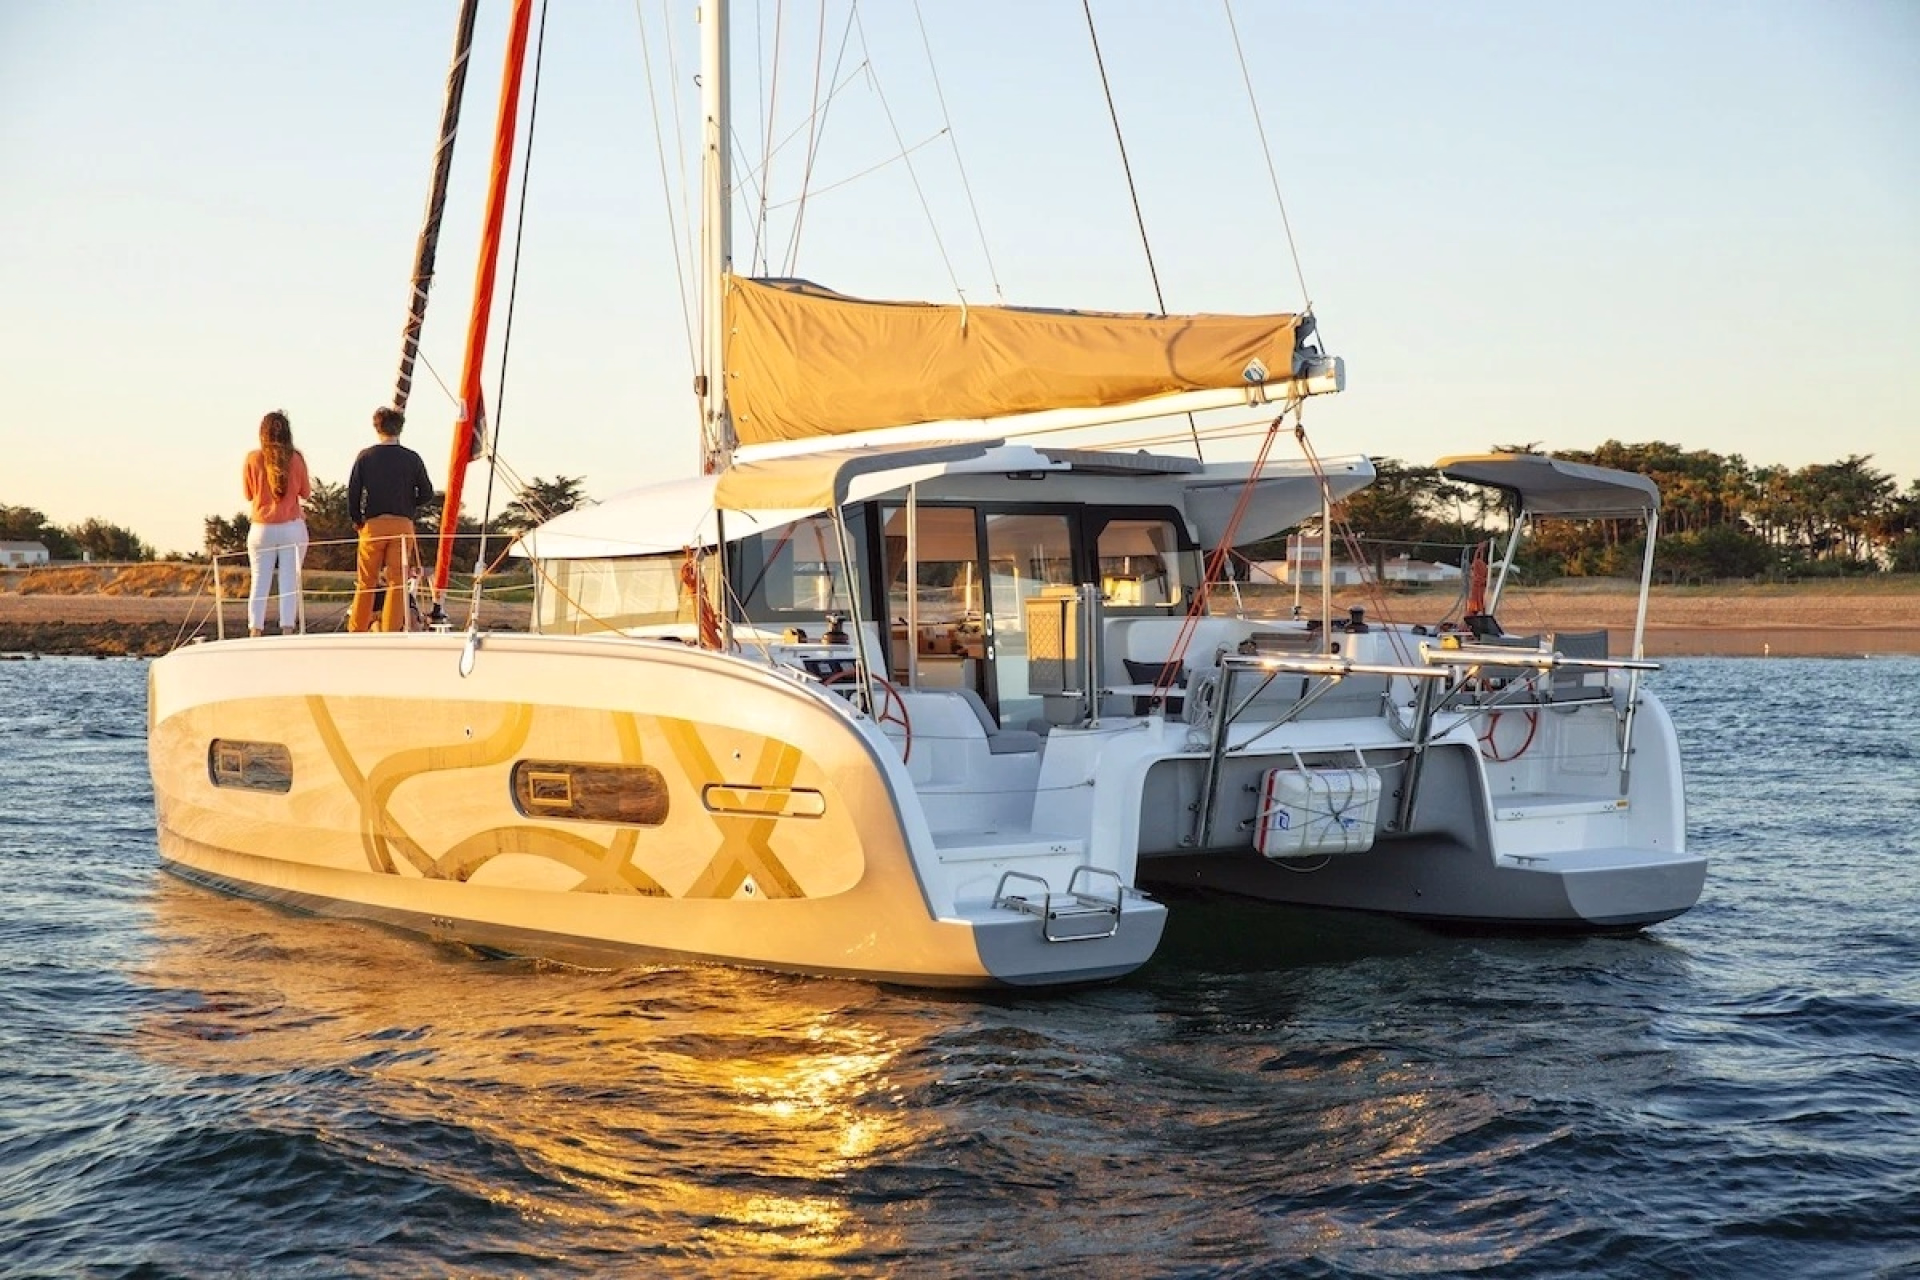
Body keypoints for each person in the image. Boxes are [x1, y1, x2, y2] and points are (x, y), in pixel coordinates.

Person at [346, 405, 435, 633]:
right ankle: (390, 630)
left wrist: (358, 519)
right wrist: (408, 505)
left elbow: (353, 493)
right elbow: (427, 493)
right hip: (402, 525)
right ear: (400, 428)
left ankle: (357, 629)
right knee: (397, 582)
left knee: (366, 581)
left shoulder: (366, 456)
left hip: (373, 525)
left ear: (377, 427)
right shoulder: (412, 458)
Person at [241, 409, 312, 637]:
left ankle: (255, 629)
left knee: (259, 580)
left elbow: (248, 494)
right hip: (291, 527)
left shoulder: (252, 458)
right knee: (289, 581)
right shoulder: (296, 458)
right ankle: (287, 629)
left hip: (261, 528)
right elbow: (306, 492)